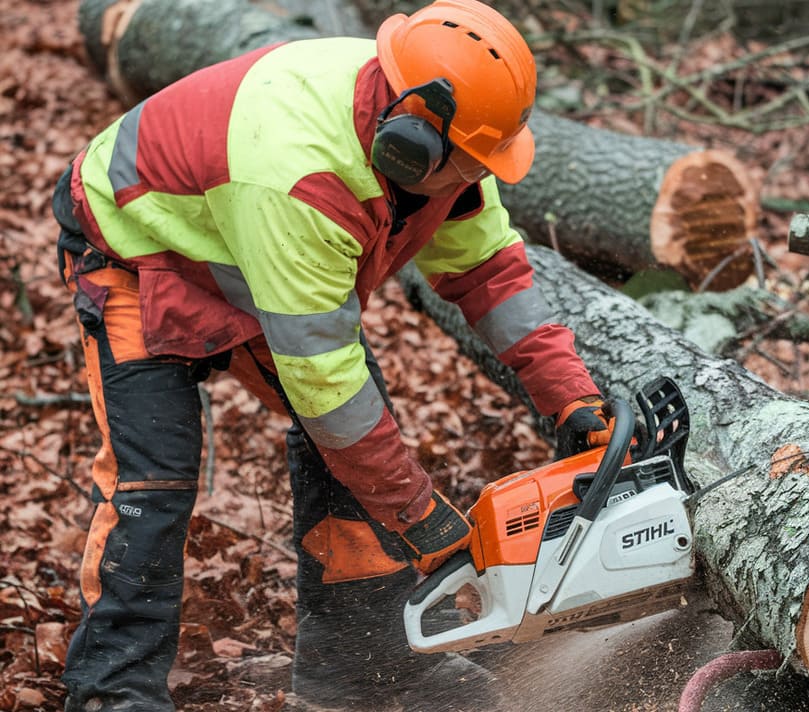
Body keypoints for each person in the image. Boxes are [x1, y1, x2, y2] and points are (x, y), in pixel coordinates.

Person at [51, 1, 613, 710]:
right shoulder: (305, 176)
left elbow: (488, 275)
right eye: (468, 163)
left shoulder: (447, 143)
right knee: (153, 481)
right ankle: (111, 691)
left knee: (349, 458)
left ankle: (356, 671)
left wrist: (570, 394)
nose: (477, 177)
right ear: (412, 142)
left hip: (248, 252)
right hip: (135, 244)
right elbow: (324, 382)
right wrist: (415, 511)